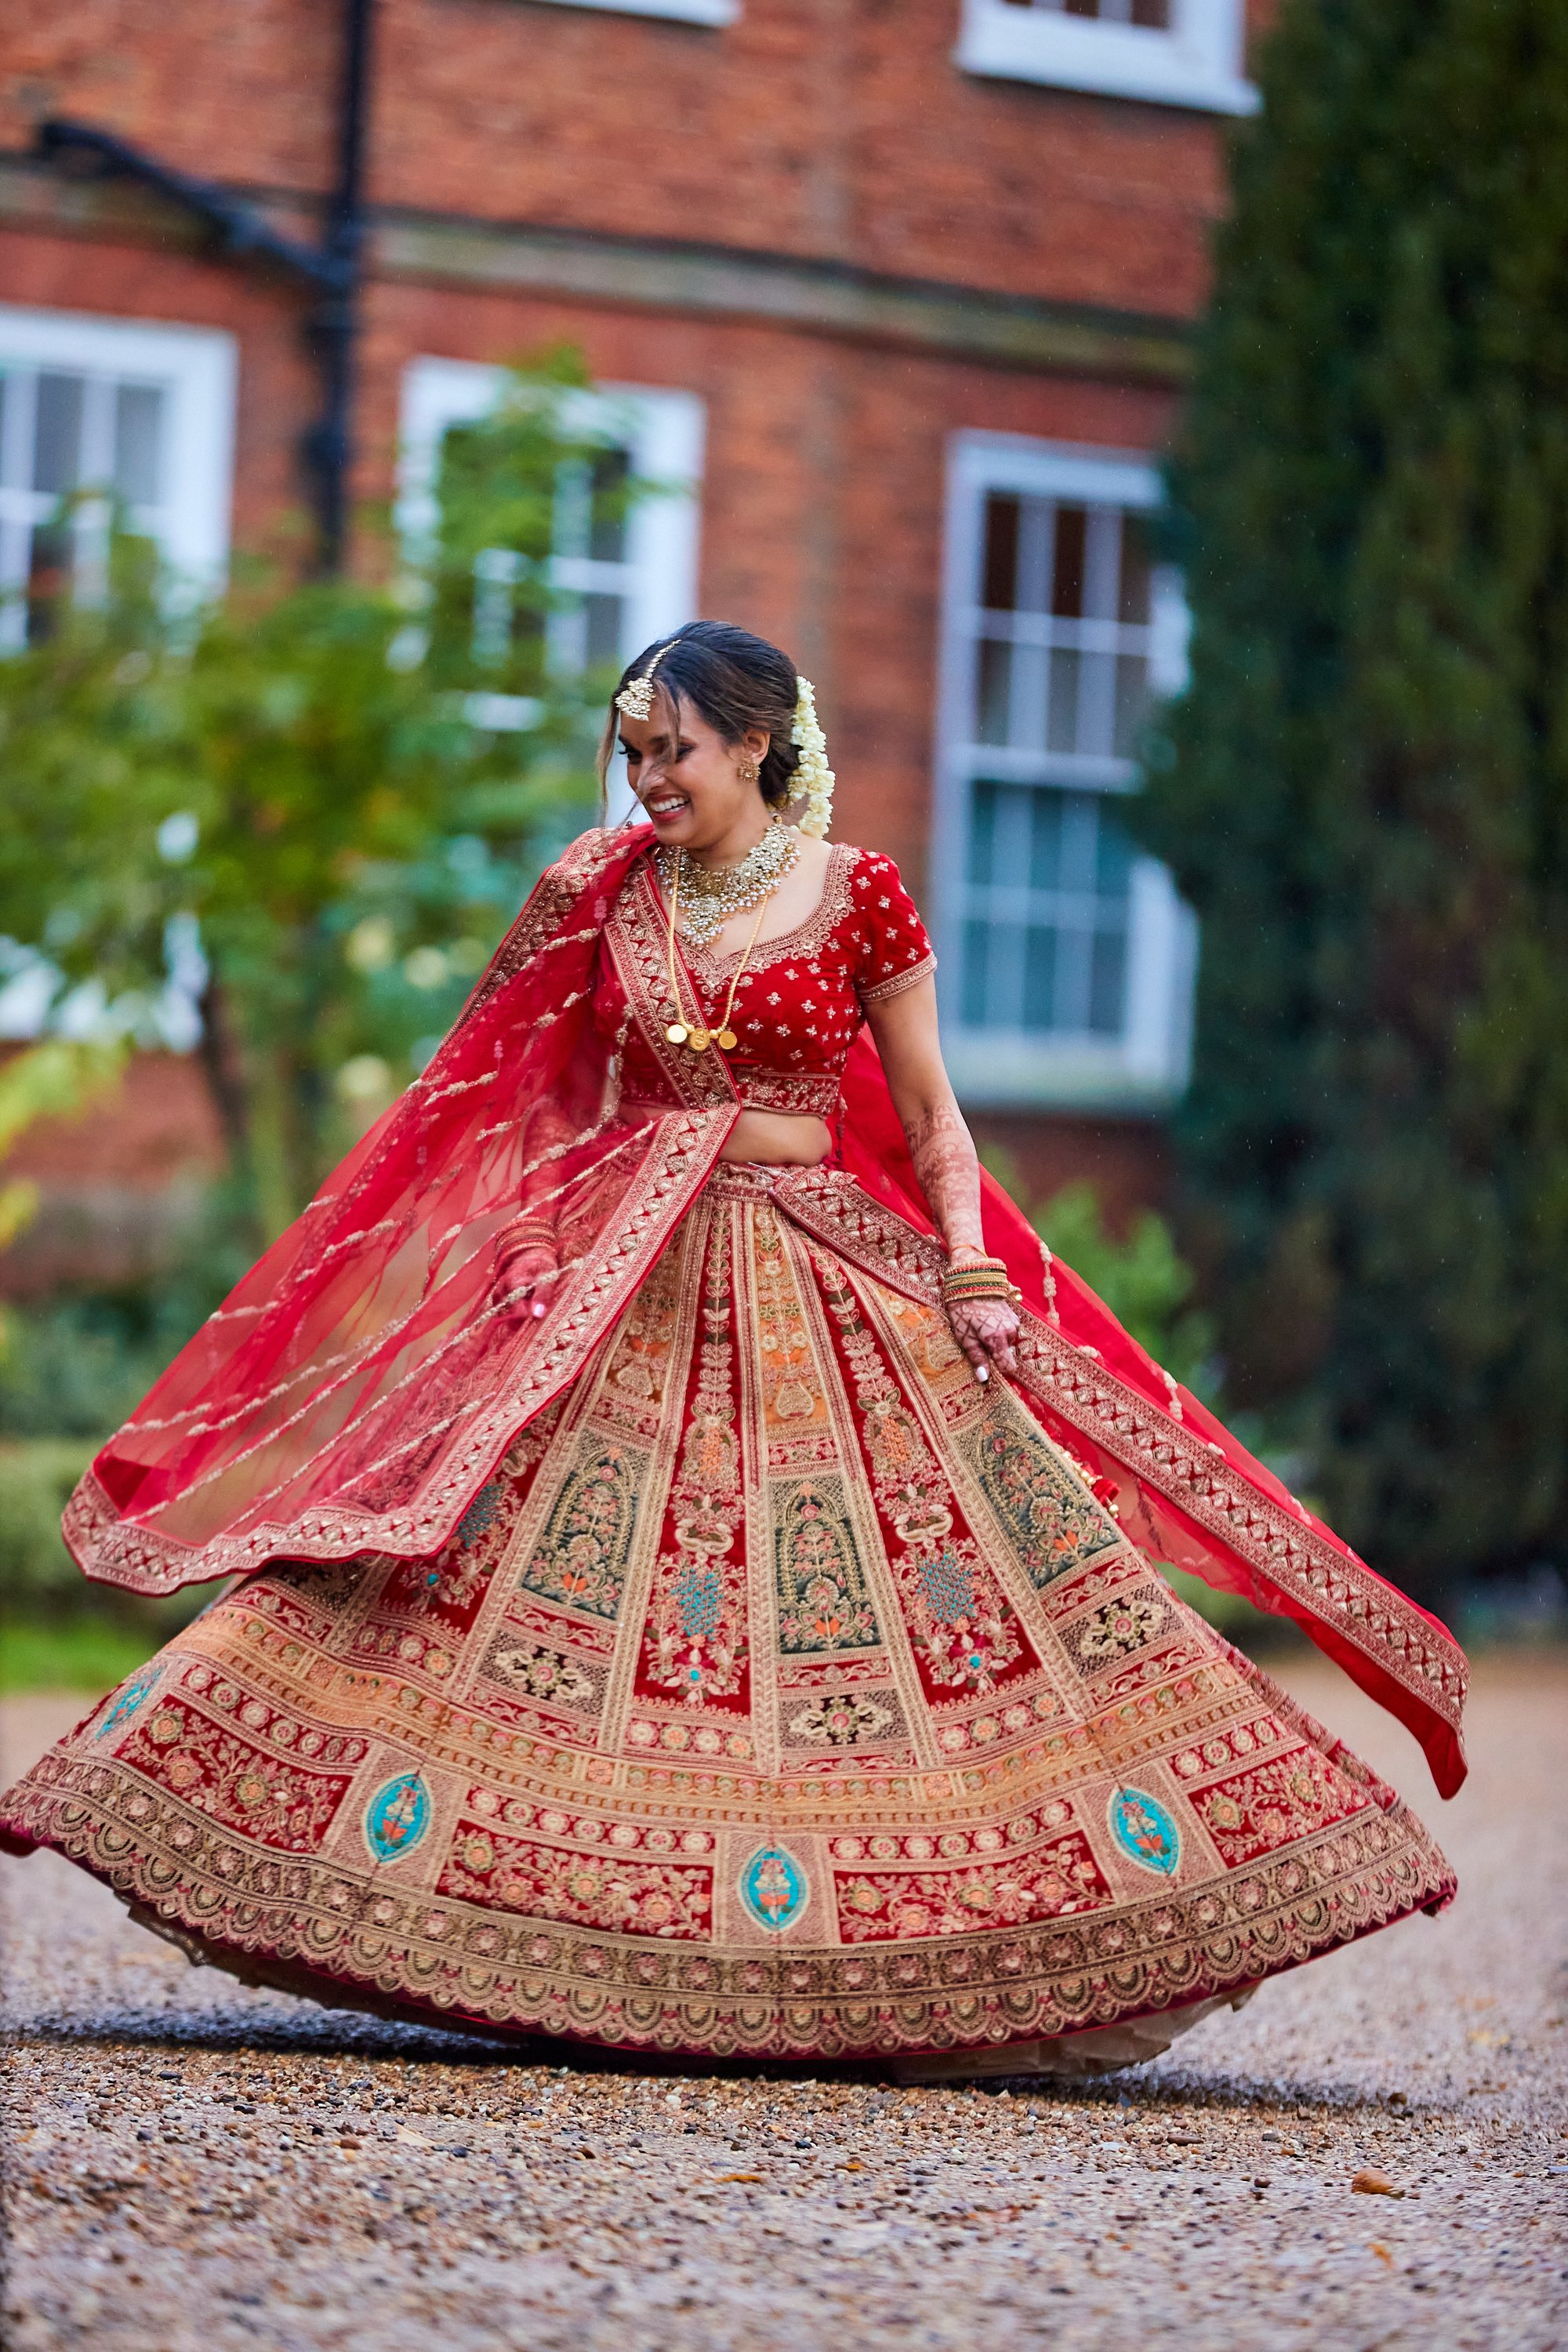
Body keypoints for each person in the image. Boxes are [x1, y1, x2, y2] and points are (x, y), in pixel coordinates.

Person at [0, 622, 1468, 2078]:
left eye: (674, 751)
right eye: (633, 753)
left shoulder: (860, 897)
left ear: (756, 744)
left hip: (827, 1284)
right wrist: (523, 1250)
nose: (646, 780)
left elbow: (934, 1118)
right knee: (443, 1571)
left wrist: (972, 1270)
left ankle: (918, 1949)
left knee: (939, 1607)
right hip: (619, 1286)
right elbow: (533, 1107)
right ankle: (472, 1910)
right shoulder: (598, 895)